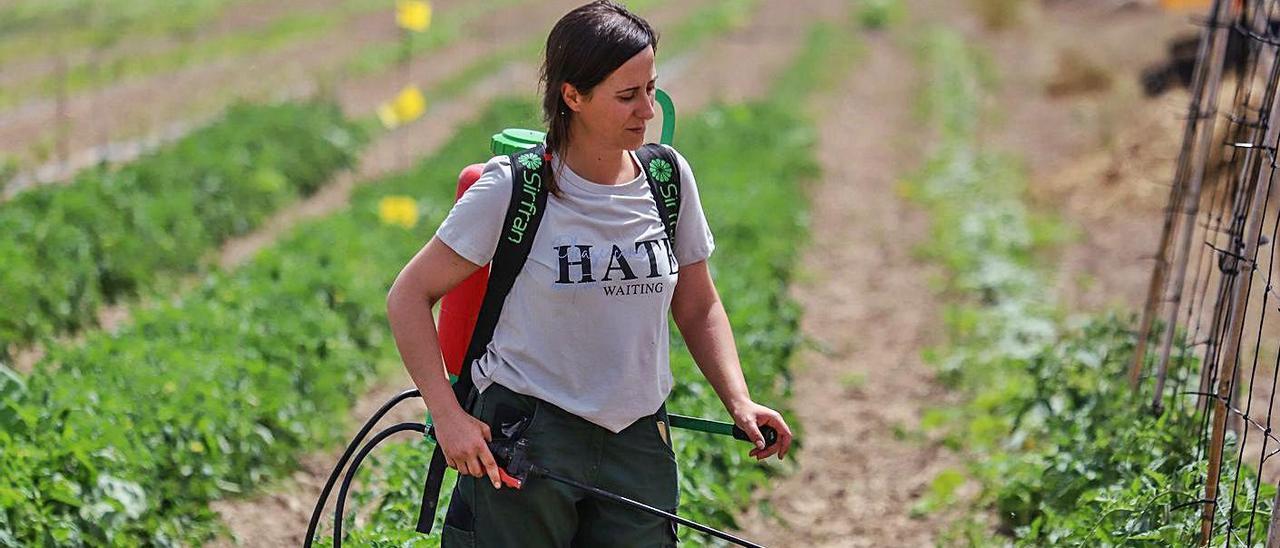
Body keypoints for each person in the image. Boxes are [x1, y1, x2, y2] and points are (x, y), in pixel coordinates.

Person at [385, 1, 793, 545]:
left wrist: (739, 400)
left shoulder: (667, 179)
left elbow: (698, 304)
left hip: (637, 439)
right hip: (531, 437)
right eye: (627, 96)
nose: (647, 110)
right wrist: (449, 418)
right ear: (572, 96)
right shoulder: (514, 189)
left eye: (651, 88)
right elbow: (409, 295)